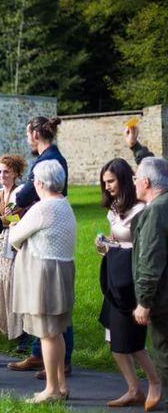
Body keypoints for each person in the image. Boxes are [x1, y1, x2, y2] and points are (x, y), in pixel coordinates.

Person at [8, 116, 74, 379]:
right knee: (53, 315)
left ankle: (59, 364)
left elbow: (24, 196)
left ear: (35, 134)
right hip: (52, 245)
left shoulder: (48, 161)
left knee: (52, 317)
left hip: (45, 250)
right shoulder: (51, 157)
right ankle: (41, 355)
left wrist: (13, 210)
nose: (27, 139)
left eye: (27, 134)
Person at [96, 158, 162, 408]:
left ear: (124, 179)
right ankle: (133, 388)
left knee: (132, 341)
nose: (108, 186)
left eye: (111, 181)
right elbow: (117, 238)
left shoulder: (142, 209)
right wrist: (105, 245)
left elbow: (144, 249)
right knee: (114, 339)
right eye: (105, 183)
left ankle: (155, 382)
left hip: (131, 279)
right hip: (114, 276)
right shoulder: (114, 207)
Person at [132, 157, 168, 411]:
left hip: (163, 299)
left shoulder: (156, 211)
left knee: (165, 354)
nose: (134, 182)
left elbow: (151, 261)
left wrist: (144, 302)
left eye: (136, 178)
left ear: (145, 182)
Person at [0, 154, 27, 344]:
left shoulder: (19, 192)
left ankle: (20, 330)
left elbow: (14, 217)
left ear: (15, 173)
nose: (2, 175)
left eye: (6, 171)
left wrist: (3, 218)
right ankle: (3, 326)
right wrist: (3, 218)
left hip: (14, 242)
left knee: (13, 283)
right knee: (1, 281)